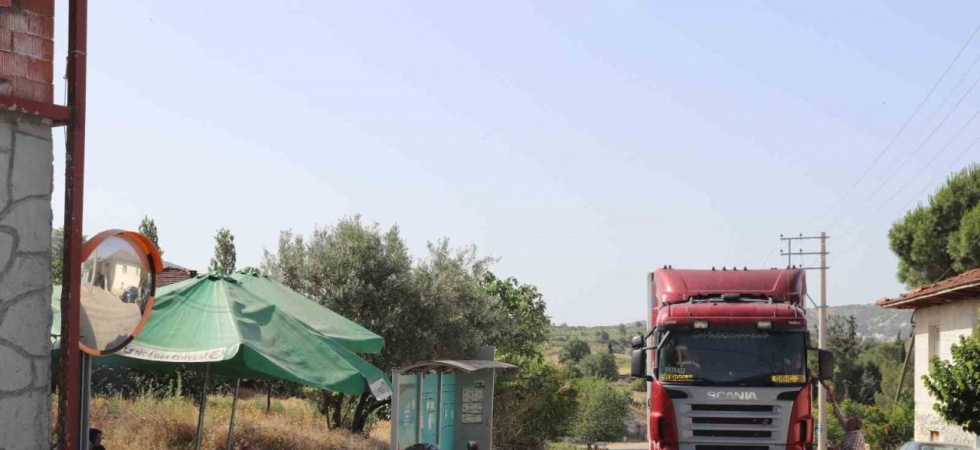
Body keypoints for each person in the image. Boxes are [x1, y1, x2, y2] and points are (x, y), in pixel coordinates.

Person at [820, 380, 866, 450]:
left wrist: (837, 449)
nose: (847, 421)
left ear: (854, 426)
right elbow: (840, 416)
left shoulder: (857, 438)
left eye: (849, 421)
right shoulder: (849, 429)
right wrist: (833, 400)